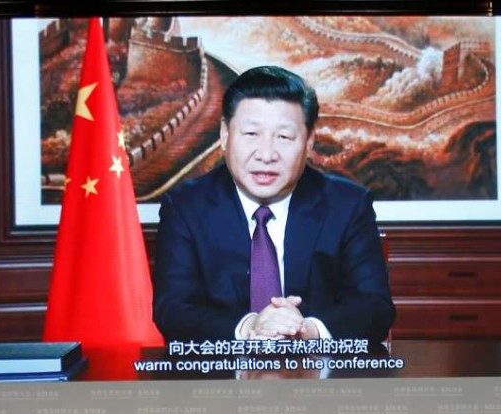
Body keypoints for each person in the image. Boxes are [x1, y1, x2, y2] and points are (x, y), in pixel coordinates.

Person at [152, 65, 395, 343]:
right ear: (224, 135)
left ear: (309, 142)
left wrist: (308, 329)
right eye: (251, 134)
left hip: (320, 379)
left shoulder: (347, 205)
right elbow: (173, 310)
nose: (266, 155)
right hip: (219, 382)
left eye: (283, 137)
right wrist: (249, 326)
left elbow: (375, 307)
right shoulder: (186, 207)